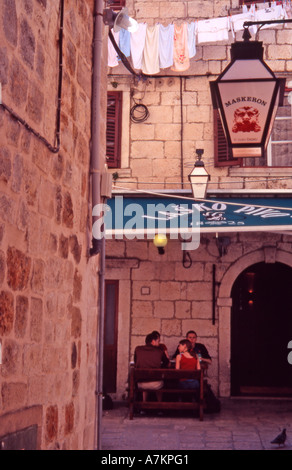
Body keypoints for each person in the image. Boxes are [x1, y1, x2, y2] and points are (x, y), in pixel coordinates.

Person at [134, 332, 170, 399]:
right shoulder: (159, 351)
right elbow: (166, 362)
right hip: (156, 383)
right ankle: (159, 405)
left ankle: (144, 404)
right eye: (158, 341)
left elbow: (136, 362)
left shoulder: (138, 349)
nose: (159, 343)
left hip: (141, 383)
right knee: (164, 382)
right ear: (153, 341)